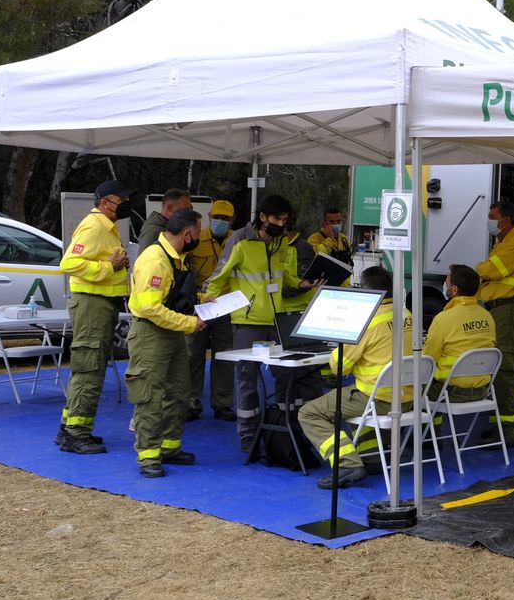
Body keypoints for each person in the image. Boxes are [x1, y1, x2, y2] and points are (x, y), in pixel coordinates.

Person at [206, 194, 322, 451]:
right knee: (247, 376)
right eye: (277, 218)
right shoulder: (240, 240)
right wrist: (207, 299)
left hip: (277, 320)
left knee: (287, 374)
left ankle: (287, 426)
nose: (281, 224)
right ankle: (248, 435)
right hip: (248, 322)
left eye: (284, 219)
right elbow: (218, 276)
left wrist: (303, 284)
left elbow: (285, 278)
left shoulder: (282, 242)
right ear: (262, 217)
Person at [298, 265, 413, 489]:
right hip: (407, 397)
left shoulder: (368, 322)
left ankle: (347, 463)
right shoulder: (407, 315)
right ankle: (371, 457)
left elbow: (339, 368)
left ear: (366, 292)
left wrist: (338, 343)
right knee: (360, 394)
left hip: (377, 399)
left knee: (309, 412)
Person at [125, 208, 206, 478]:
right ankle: (148, 455)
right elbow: (150, 308)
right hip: (151, 335)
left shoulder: (176, 259)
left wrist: (203, 304)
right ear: (186, 234)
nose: (199, 238)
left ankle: (170, 447)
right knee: (150, 395)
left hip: (170, 333)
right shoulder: (155, 260)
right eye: (197, 233)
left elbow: (176, 297)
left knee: (179, 391)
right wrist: (189, 324)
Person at [56, 180, 133, 454]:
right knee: (89, 369)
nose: (124, 204)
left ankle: (69, 428)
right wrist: (107, 266)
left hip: (101, 304)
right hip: (91, 304)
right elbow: (69, 263)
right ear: (104, 202)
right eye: (119, 199)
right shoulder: (95, 225)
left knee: (89, 367)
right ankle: (77, 433)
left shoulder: (107, 227)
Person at [475, 200, 514, 447]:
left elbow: (489, 271)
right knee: (498, 368)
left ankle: (507, 428)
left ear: (506, 220)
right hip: (500, 311)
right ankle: (500, 424)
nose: (489, 221)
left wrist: (480, 268)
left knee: (505, 369)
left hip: (509, 311)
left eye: (492, 216)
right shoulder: (504, 242)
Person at [184, 198, 236, 420]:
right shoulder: (196, 240)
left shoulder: (237, 241)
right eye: (216, 218)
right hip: (200, 305)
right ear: (209, 217)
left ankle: (222, 403)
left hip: (226, 306)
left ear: (232, 219)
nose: (220, 222)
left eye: (224, 218)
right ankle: (190, 402)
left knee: (224, 356)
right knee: (193, 354)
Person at [424, 264, 497, 405]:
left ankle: (433, 428)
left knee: (408, 390)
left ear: (454, 289)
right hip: (482, 391)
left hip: (450, 392)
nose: (444, 284)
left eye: (446, 282)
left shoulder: (443, 318)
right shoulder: (487, 316)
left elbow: (427, 359)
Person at [138, 188, 192, 252]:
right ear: (170, 208)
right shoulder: (154, 231)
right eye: (186, 210)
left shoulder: (168, 228)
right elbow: (144, 260)